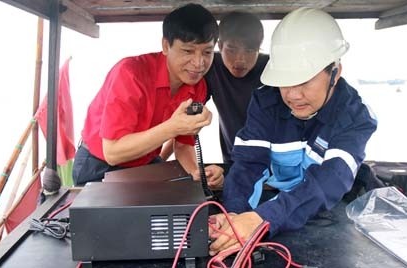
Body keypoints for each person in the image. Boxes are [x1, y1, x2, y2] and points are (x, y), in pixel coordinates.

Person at [208, 7, 378, 255]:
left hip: (334, 211)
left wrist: (259, 220)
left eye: (305, 81)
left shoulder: (354, 117)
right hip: (276, 208)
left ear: (335, 72)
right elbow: (248, 165)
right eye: (285, 81)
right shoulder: (265, 101)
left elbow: (329, 180)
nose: (293, 95)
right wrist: (234, 213)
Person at [72, 3, 223, 187]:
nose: (199, 63)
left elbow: (183, 144)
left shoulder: (198, 86)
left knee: (182, 206)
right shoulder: (130, 73)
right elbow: (112, 152)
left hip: (144, 163)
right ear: (166, 46)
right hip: (98, 164)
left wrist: (196, 171)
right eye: (188, 51)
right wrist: (172, 128)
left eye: (207, 52)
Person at [161, 11, 269, 166]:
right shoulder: (210, 68)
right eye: (231, 50)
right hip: (233, 163)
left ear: (259, 48)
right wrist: (160, 160)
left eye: (250, 51)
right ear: (219, 46)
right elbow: (187, 121)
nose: (240, 59)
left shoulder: (271, 70)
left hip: (274, 164)